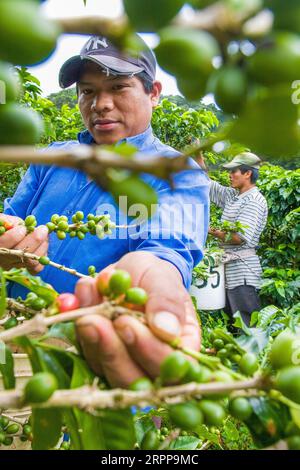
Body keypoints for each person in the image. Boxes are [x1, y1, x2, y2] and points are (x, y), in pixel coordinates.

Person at [0, 35, 210, 387]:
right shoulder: (52, 158)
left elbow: (169, 247)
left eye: (118, 87)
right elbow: (13, 215)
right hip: (16, 335)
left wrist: (157, 271)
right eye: (88, 91)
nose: (100, 104)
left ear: (154, 93)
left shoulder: (174, 172)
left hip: (90, 352)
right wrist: (9, 239)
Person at [199, 152, 268, 326]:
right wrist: (198, 154)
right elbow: (206, 184)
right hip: (229, 271)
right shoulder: (233, 196)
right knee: (231, 324)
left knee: (246, 326)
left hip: (243, 273)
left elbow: (239, 238)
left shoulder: (254, 200)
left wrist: (211, 231)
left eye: (233, 171)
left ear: (247, 173)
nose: (229, 175)